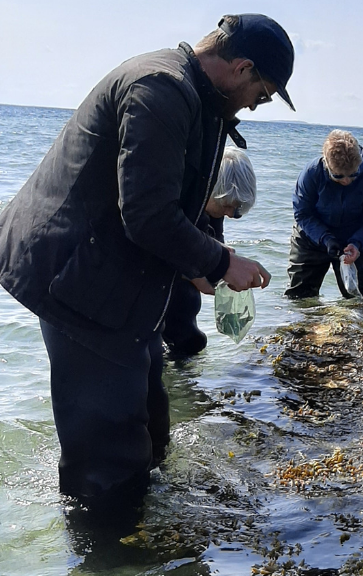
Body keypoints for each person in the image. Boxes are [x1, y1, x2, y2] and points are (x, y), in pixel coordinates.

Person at [0, 14, 293, 508]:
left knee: (153, 430)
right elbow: (147, 213)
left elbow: (167, 204)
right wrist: (220, 262)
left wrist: (197, 265)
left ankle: (146, 532)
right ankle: (109, 551)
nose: (255, 105)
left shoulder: (195, 96)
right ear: (242, 69)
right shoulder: (160, 88)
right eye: (261, 94)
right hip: (74, 280)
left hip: (112, 275)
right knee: (107, 463)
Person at [163, 147, 258, 356]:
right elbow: (160, 246)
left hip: (184, 295)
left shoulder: (215, 207)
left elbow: (215, 246)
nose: (231, 214)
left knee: (189, 341)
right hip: (154, 287)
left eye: (238, 210)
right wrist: (193, 275)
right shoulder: (176, 199)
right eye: (228, 206)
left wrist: (224, 274)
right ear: (210, 189)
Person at [285, 130, 363, 300]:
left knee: (362, 297)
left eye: (353, 175)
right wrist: (325, 238)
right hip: (311, 239)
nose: (346, 181)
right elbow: (302, 214)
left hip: (354, 241)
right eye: (338, 176)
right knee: (299, 297)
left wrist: (357, 243)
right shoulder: (311, 173)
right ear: (327, 164)